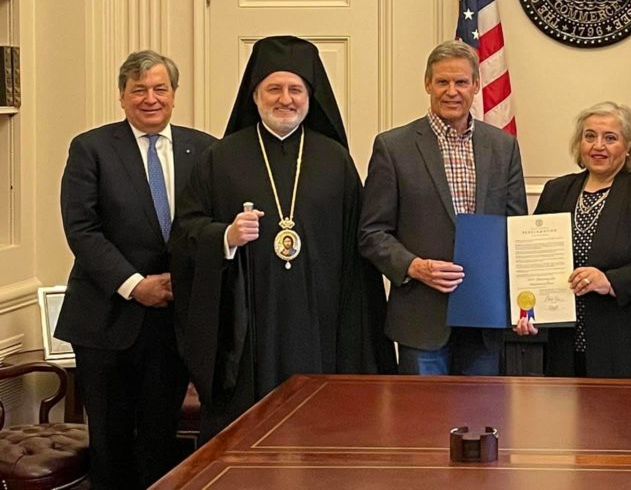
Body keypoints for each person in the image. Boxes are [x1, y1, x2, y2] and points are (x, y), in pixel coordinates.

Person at [170, 35, 393, 441]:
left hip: (321, 327)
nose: (285, 99)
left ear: (311, 95)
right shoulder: (220, 158)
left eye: (296, 89)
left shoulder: (335, 160)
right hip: (249, 328)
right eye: (274, 88)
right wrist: (226, 236)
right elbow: (185, 229)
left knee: (321, 439)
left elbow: (358, 254)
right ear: (254, 95)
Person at [55, 50, 215, 489]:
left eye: (160, 89)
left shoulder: (204, 149)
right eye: (138, 90)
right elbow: (82, 229)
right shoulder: (91, 148)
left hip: (173, 322)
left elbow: (211, 228)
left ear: (174, 95)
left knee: (162, 443)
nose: (150, 98)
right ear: (122, 97)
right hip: (107, 322)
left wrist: (182, 282)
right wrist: (134, 285)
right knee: (111, 443)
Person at [359, 40, 527, 375]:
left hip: (484, 319)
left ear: (476, 85)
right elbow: (372, 233)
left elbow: (516, 228)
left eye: (461, 82)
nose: (452, 91)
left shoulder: (502, 147)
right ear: (427, 84)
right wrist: (414, 266)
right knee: (422, 424)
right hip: (422, 319)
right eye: (442, 82)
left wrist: (526, 302)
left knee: (481, 425)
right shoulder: (393, 147)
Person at [512, 101, 631, 378]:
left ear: (629, 148)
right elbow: (532, 262)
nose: (598, 146)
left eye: (610, 138)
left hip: (629, 345)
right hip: (566, 345)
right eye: (589, 136)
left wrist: (611, 281)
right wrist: (526, 311)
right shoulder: (557, 191)